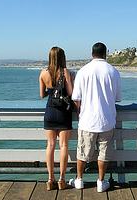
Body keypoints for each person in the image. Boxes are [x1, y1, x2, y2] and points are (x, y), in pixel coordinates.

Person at [68, 42, 121, 193]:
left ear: (92, 54)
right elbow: (117, 98)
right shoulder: (113, 72)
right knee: (104, 153)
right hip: (107, 120)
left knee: (83, 152)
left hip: (87, 120)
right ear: (106, 54)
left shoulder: (83, 71)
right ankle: (101, 181)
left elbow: (76, 98)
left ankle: (79, 179)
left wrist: (79, 112)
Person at [39, 46, 74, 191]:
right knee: (63, 145)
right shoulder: (65, 72)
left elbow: (42, 94)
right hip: (63, 112)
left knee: (50, 145)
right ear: (62, 58)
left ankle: (50, 178)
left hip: (50, 111)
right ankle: (62, 179)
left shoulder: (43, 73)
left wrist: (52, 90)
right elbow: (71, 92)